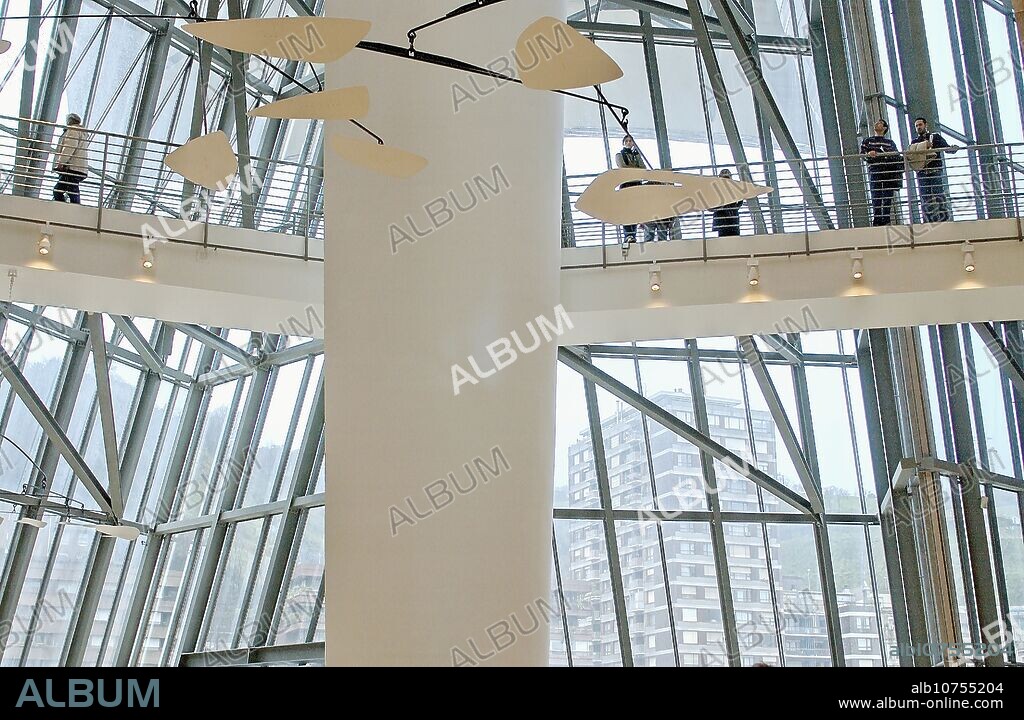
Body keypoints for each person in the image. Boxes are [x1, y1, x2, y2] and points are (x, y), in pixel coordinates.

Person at [908, 117, 958, 223]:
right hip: (922, 171)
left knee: (938, 193)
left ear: (926, 125)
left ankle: (943, 216)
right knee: (925, 196)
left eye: (920, 125)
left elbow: (946, 147)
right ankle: (929, 219)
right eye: (916, 126)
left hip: (934, 169)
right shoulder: (915, 141)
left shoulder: (935, 137)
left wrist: (952, 149)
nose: (918, 127)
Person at [860, 119, 903, 226]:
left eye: (879, 123)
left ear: (884, 128)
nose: (876, 123)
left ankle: (886, 218)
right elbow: (862, 154)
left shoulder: (890, 142)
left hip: (888, 170)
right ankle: (877, 219)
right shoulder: (868, 140)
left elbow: (895, 155)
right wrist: (869, 154)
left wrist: (881, 154)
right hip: (875, 169)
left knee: (887, 195)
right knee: (876, 194)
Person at [52, 113, 89, 204]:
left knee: (59, 191)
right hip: (79, 168)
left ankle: (73, 208)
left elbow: (69, 147)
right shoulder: (82, 133)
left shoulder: (73, 131)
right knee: (71, 189)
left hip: (72, 168)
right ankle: (74, 207)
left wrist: (61, 162)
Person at [615, 134, 645, 246]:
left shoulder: (636, 155)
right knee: (627, 211)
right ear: (624, 143)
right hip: (626, 186)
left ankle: (633, 235)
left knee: (635, 211)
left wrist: (637, 157)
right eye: (626, 141)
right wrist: (635, 169)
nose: (628, 143)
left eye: (630, 141)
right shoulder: (619, 155)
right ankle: (628, 235)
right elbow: (622, 167)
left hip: (636, 186)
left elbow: (643, 168)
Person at [711, 168, 743, 236]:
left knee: (732, 240)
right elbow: (710, 207)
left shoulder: (733, 189)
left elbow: (740, 201)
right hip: (723, 222)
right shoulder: (716, 190)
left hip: (731, 221)